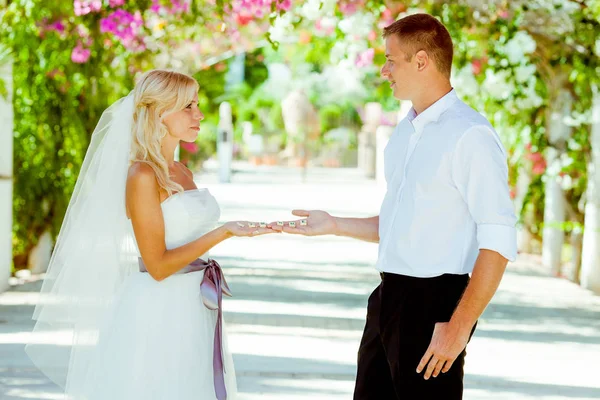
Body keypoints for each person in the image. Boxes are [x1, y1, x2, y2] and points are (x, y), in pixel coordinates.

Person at [270, 13, 517, 400]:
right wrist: (333, 224)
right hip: (387, 299)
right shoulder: (406, 131)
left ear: (421, 61)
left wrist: (457, 328)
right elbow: (400, 225)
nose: (384, 71)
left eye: (391, 59)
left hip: (435, 306)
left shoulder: (470, 136)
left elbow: (498, 241)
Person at [25, 70, 276, 400]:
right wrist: (224, 232)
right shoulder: (142, 174)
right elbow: (157, 265)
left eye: (197, 105)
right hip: (159, 308)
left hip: (194, 302)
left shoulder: (182, 171)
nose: (199, 114)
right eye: (188, 106)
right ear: (159, 112)